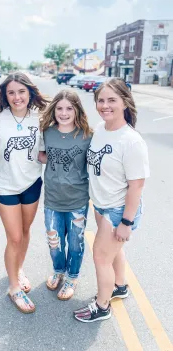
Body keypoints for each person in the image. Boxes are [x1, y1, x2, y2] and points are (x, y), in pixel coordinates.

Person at [74, 78, 150, 323]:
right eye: (101, 100)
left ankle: (102, 306)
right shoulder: (101, 129)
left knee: (100, 257)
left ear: (125, 102)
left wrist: (126, 222)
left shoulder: (131, 141)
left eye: (111, 100)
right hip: (101, 203)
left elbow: (137, 185)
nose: (105, 105)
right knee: (113, 252)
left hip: (118, 209)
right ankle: (120, 286)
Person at [0, 72, 49, 313]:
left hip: (32, 182)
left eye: (21, 91)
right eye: (11, 92)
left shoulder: (40, 118)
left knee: (24, 232)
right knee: (14, 237)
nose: (16, 97)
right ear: (5, 95)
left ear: (30, 92)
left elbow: (42, 153)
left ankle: (19, 269)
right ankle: (14, 288)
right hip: (5, 184)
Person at [38, 89, 92, 301]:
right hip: (52, 199)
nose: (64, 112)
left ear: (77, 110)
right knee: (54, 242)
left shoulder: (87, 135)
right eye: (59, 108)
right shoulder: (47, 132)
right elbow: (41, 155)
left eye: (69, 108)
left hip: (77, 199)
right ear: (54, 110)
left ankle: (72, 276)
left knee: (76, 243)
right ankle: (58, 270)